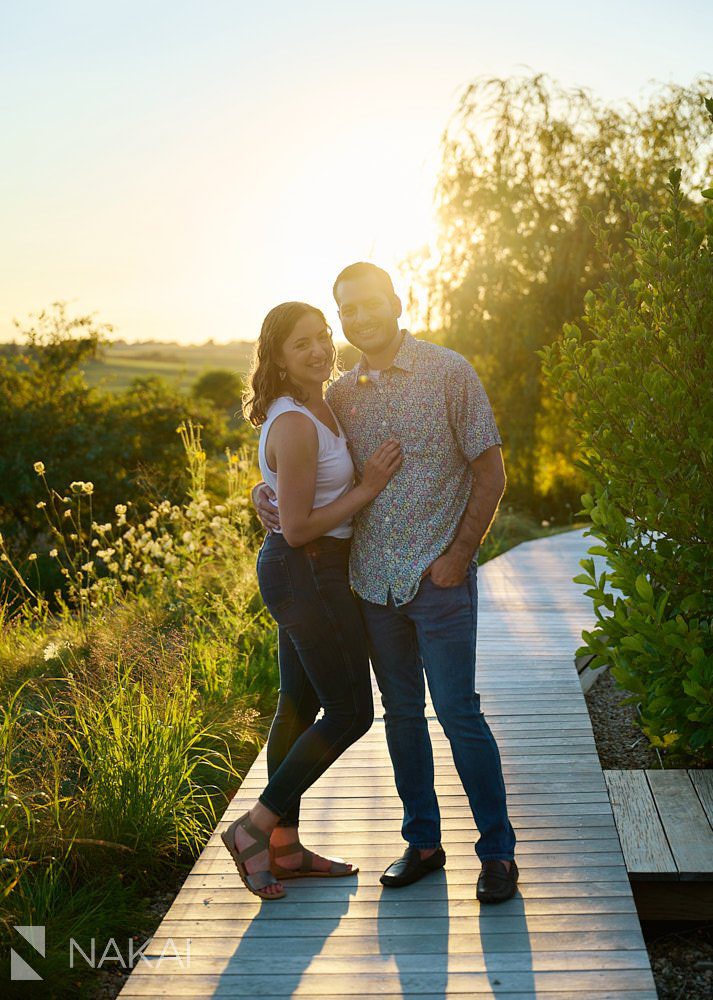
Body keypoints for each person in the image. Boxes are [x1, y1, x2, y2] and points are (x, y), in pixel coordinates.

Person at [254, 264, 518, 903]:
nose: (359, 318)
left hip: (439, 576)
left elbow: (491, 472)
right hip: (369, 583)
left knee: (459, 714)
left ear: (396, 302)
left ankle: (498, 854)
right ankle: (423, 842)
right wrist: (263, 493)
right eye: (347, 309)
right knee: (401, 716)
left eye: (370, 304)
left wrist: (460, 552)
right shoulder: (339, 394)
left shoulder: (449, 373)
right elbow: (308, 472)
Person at [222, 300, 402, 900]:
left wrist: (262, 488)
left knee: (296, 707)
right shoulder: (296, 421)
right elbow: (297, 528)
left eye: (323, 337)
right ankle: (256, 826)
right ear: (275, 355)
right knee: (350, 711)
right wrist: (370, 487)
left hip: (310, 570)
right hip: (308, 570)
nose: (321, 349)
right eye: (302, 343)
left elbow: (286, 492)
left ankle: (285, 848)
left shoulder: (315, 406)